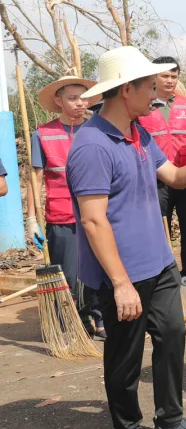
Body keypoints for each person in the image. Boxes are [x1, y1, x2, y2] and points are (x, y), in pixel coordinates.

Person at [67, 46, 186, 429]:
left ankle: (170, 421)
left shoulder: (140, 133)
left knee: (172, 334)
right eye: (149, 86)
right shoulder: (92, 145)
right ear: (125, 90)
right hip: (122, 272)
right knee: (125, 353)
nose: (156, 92)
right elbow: (94, 221)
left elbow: (174, 176)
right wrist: (119, 283)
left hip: (158, 263)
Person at [26, 75, 104, 339]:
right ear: (58, 101)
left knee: (100, 270)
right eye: (72, 98)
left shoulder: (99, 129)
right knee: (69, 275)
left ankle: (99, 317)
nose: (80, 103)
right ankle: (73, 323)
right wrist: (31, 219)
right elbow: (35, 178)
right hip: (61, 216)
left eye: (83, 98)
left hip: (99, 214)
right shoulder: (43, 134)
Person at [138, 56, 186, 291]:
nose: (170, 80)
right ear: (153, 77)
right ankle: (161, 272)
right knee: (156, 225)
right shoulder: (143, 106)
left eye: (174, 76)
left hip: (185, 175)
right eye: (165, 75)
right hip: (155, 178)